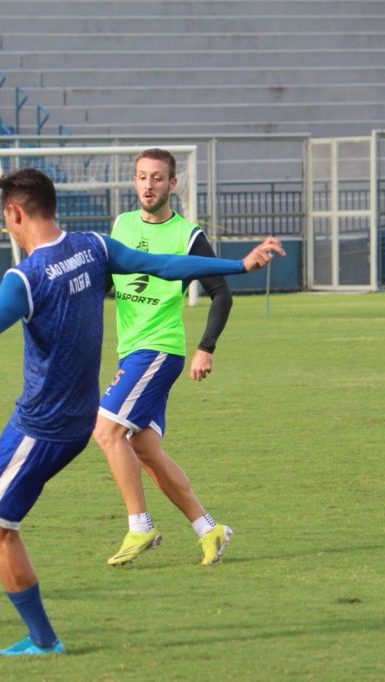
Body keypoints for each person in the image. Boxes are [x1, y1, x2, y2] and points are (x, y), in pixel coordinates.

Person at [0, 167, 284, 656]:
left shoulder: (25, 277)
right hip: (73, 419)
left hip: (41, 426)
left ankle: (43, 640)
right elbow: (166, 267)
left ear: (15, 212)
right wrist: (239, 265)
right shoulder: (94, 246)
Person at [95, 148, 237, 568]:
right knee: (144, 447)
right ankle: (208, 528)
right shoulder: (121, 225)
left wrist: (205, 347)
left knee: (105, 431)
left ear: (172, 184)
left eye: (157, 178)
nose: (148, 185)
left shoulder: (188, 235)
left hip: (158, 349)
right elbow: (106, 279)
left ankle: (140, 525)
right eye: (141, 177)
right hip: (131, 351)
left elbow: (221, 292)